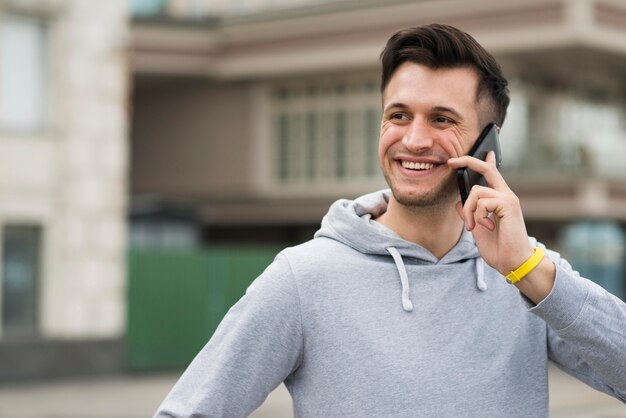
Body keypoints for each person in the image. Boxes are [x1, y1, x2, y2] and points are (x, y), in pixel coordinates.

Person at [155, 24, 626, 417]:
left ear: (488, 145)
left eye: (442, 119)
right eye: (399, 115)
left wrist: (527, 269)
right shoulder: (303, 278)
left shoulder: (524, 272)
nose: (414, 139)